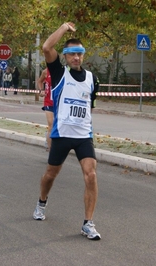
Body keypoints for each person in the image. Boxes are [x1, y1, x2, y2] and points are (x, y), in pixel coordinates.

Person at [32, 22, 101, 241]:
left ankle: (88, 223)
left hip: (83, 136)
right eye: (72, 54)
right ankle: (42, 201)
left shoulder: (92, 79)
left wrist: (88, 127)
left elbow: (89, 107)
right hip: (61, 135)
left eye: (79, 53)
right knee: (51, 174)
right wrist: (62, 28)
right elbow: (45, 48)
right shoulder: (60, 73)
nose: (76, 58)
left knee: (91, 174)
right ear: (66, 56)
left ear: (83, 56)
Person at [37, 68, 53, 151]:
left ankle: (49, 140)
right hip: (49, 102)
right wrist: (41, 90)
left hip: (60, 103)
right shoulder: (46, 71)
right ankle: (51, 150)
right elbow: (40, 81)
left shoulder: (63, 71)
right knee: (51, 125)